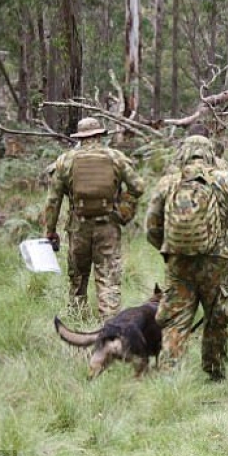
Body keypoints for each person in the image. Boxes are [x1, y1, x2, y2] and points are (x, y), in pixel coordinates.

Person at [145, 139, 228, 381]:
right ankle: (215, 373)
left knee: (175, 319)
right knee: (217, 317)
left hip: (178, 263)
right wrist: (222, 220)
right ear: (210, 154)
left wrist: (170, 251)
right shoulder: (225, 179)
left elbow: (152, 228)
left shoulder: (168, 183)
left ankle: (169, 377)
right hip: (216, 260)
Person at [44, 116, 146, 320]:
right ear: (100, 135)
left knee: (77, 279)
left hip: (77, 227)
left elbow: (53, 200)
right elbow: (138, 187)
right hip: (108, 225)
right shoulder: (116, 157)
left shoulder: (65, 161)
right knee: (108, 277)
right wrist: (122, 209)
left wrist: (50, 230)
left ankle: (78, 324)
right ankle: (109, 328)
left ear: (81, 137)